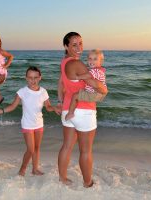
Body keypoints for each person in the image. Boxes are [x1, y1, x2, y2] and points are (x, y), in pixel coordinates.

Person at [57, 32, 108, 187]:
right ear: (66, 46)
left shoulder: (64, 62)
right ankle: (87, 182)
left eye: (80, 43)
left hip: (68, 109)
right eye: (74, 44)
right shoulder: (77, 64)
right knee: (86, 151)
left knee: (66, 146)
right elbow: (94, 84)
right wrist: (104, 89)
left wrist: (61, 101)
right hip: (84, 111)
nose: (79, 47)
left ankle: (63, 178)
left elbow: (60, 83)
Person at [0, 66, 61, 176]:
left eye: (35, 77)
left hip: (39, 123)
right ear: (26, 78)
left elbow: (48, 107)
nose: (33, 80)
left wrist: (54, 108)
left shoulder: (43, 91)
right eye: (30, 77)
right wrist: (1, 111)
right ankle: (22, 169)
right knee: (30, 149)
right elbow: (12, 106)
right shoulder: (22, 92)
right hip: (27, 124)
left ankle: (35, 169)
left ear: (40, 78)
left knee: (37, 148)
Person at [65, 49, 107, 121]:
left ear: (101, 62)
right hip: (97, 93)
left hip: (95, 93)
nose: (92, 61)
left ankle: (70, 113)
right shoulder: (98, 70)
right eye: (90, 59)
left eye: (95, 59)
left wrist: (77, 77)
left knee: (75, 96)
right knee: (81, 93)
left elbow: (88, 75)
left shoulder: (96, 70)